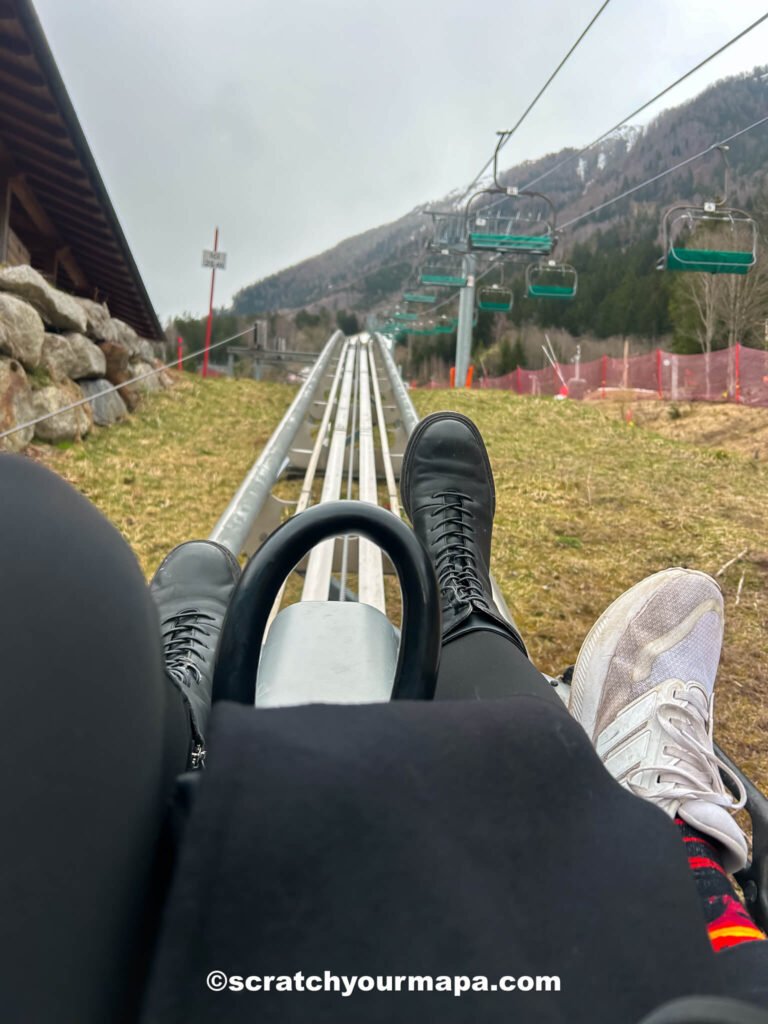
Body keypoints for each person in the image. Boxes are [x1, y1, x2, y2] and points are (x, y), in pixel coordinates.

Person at [0, 413, 766, 1024]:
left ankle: (183, 708)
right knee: (539, 766)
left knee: (35, 539)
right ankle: (662, 835)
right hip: (639, 971)